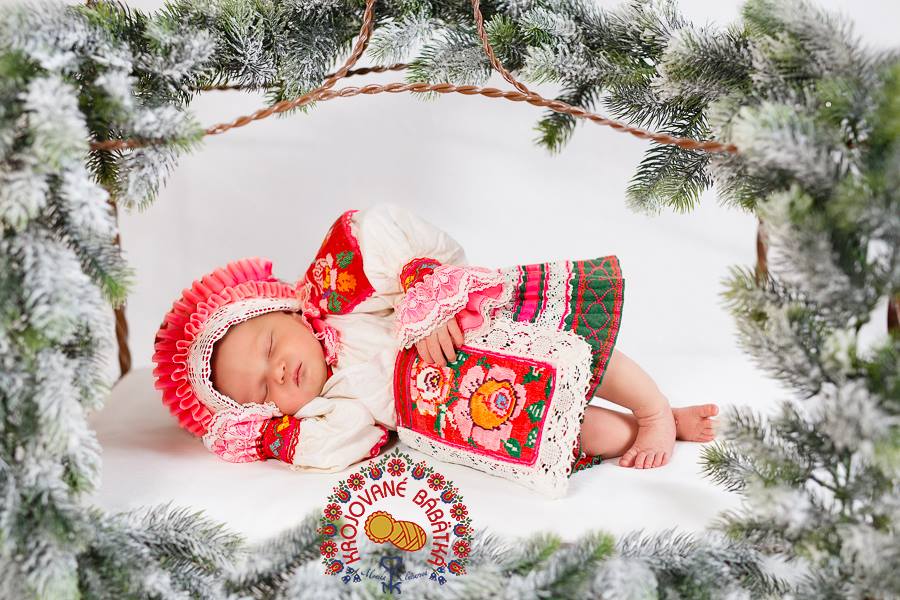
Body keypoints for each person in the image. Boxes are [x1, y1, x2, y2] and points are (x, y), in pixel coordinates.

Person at [153, 203, 718, 476]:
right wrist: (270, 438)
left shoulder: (333, 295)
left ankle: (654, 409)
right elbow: (337, 447)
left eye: (271, 345)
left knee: (582, 354)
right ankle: (652, 428)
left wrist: (420, 286)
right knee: (572, 425)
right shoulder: (333, 408)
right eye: (260, 392)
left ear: (283, 307)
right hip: (466, 409)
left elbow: (370, 227)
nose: (277, 373)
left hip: (477, 328)